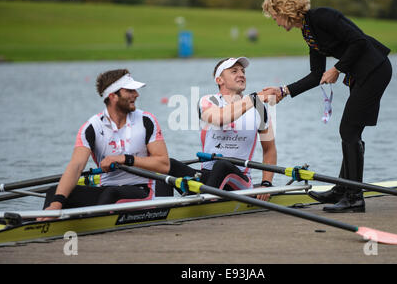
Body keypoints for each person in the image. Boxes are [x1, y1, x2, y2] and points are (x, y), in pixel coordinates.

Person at [262, 0, 392, 213]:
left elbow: (359, 41)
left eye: (275, 16)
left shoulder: (322, 16)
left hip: (375, 69)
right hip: (361, 74)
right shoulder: (308, 32)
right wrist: (283, 91)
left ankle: (354, 197)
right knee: (350, 131)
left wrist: (338, 68)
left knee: (349, 131)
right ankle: (343, 190)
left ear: (284, 9)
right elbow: (316, 75)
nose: (276, 21)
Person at [40, 69, 170, 216]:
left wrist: (126, 159)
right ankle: (44, 223)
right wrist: (57, 203)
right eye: (129, 90)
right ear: (113, 96)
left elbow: (164, 165)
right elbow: (76, 167)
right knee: (54, 192)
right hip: (107, 190)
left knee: (111, 193)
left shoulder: (146, 121)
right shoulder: (91, 127)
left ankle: (91, 222)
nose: (136, 94)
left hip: (141, 191)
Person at [167, 57, 278, 201]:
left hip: (239, 180)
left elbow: (269, 149)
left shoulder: (259, 109)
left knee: (222, 164)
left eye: (243, 71)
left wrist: (266, 183)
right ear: (219, 80)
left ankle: (201, 202)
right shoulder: (207, 101)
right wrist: (255, 98)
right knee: (166, 164)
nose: (241, 74)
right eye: (234, 71)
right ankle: (159, 208)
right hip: (206, 176)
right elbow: (219, 119)